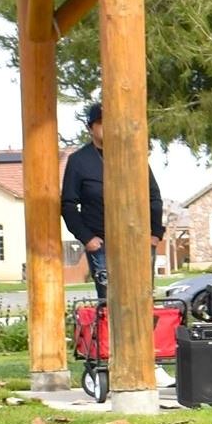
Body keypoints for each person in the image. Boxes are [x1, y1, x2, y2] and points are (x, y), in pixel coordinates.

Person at [62, 99, 165, 300]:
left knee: (142, 298)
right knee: (109, 300)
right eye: (101, 122)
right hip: (101, 243)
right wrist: (87, 238)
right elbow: (68, 204)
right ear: (90, 127)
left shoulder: (133, 156)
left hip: (138, 241)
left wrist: (155, 234)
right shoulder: (78, 161)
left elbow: (154, 197)